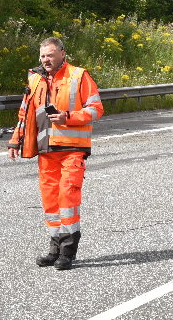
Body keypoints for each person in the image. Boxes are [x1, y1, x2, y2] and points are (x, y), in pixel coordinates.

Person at [7, 37, 104, 270]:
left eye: (50, 55)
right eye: (42, 56)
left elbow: (96, 109)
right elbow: (25, 113)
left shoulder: (79, 76)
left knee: (67, 198)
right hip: (46, 150)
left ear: (62, 53)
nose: (45, 60)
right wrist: (14, 141)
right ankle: (54, 248)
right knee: (50, 202)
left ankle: (68, 252)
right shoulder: (35, 79)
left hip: (72, 149)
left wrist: (67, 117)